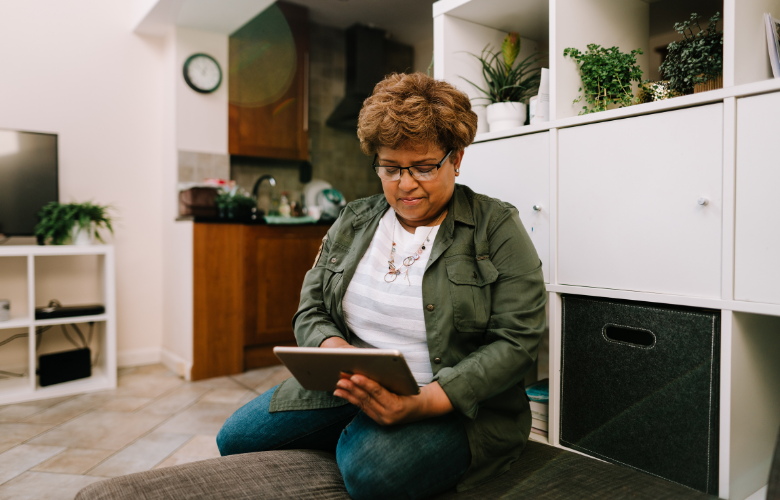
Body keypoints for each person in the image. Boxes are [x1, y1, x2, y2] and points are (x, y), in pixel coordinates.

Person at [217, 72, 547, 500]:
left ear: (457, 158)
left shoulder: (496, 226)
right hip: (349, 385)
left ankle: (370, 439)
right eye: (390, 168)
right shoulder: (354, 220)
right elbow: (311, 308)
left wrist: (424, 402)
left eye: (424, 167)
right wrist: (334, 351)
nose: (405, 184)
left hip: (453, 402)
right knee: (236, 437)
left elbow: (517, 342)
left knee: (371, 472)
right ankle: (358, 428)